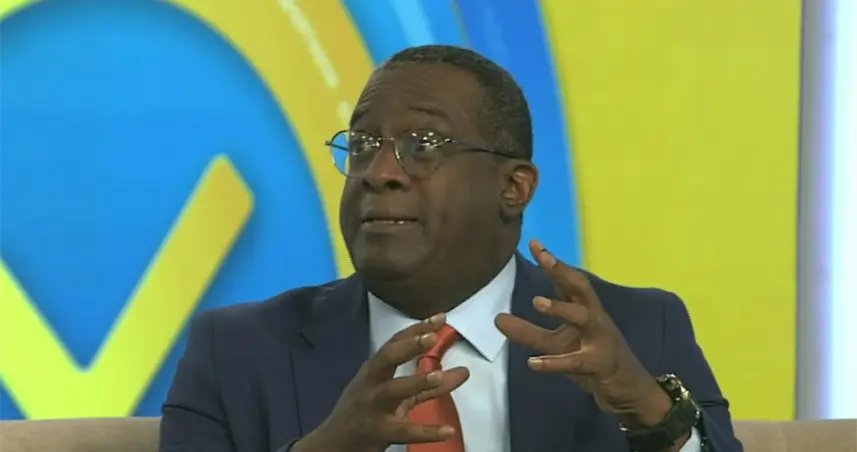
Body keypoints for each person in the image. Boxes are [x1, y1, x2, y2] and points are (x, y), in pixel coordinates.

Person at [158, 44, 742, 452]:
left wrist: (653, 415)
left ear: (514, 188)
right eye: (363, 145)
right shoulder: (237, 351)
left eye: (423, 144)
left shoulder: (638, 330)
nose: (379, 172)